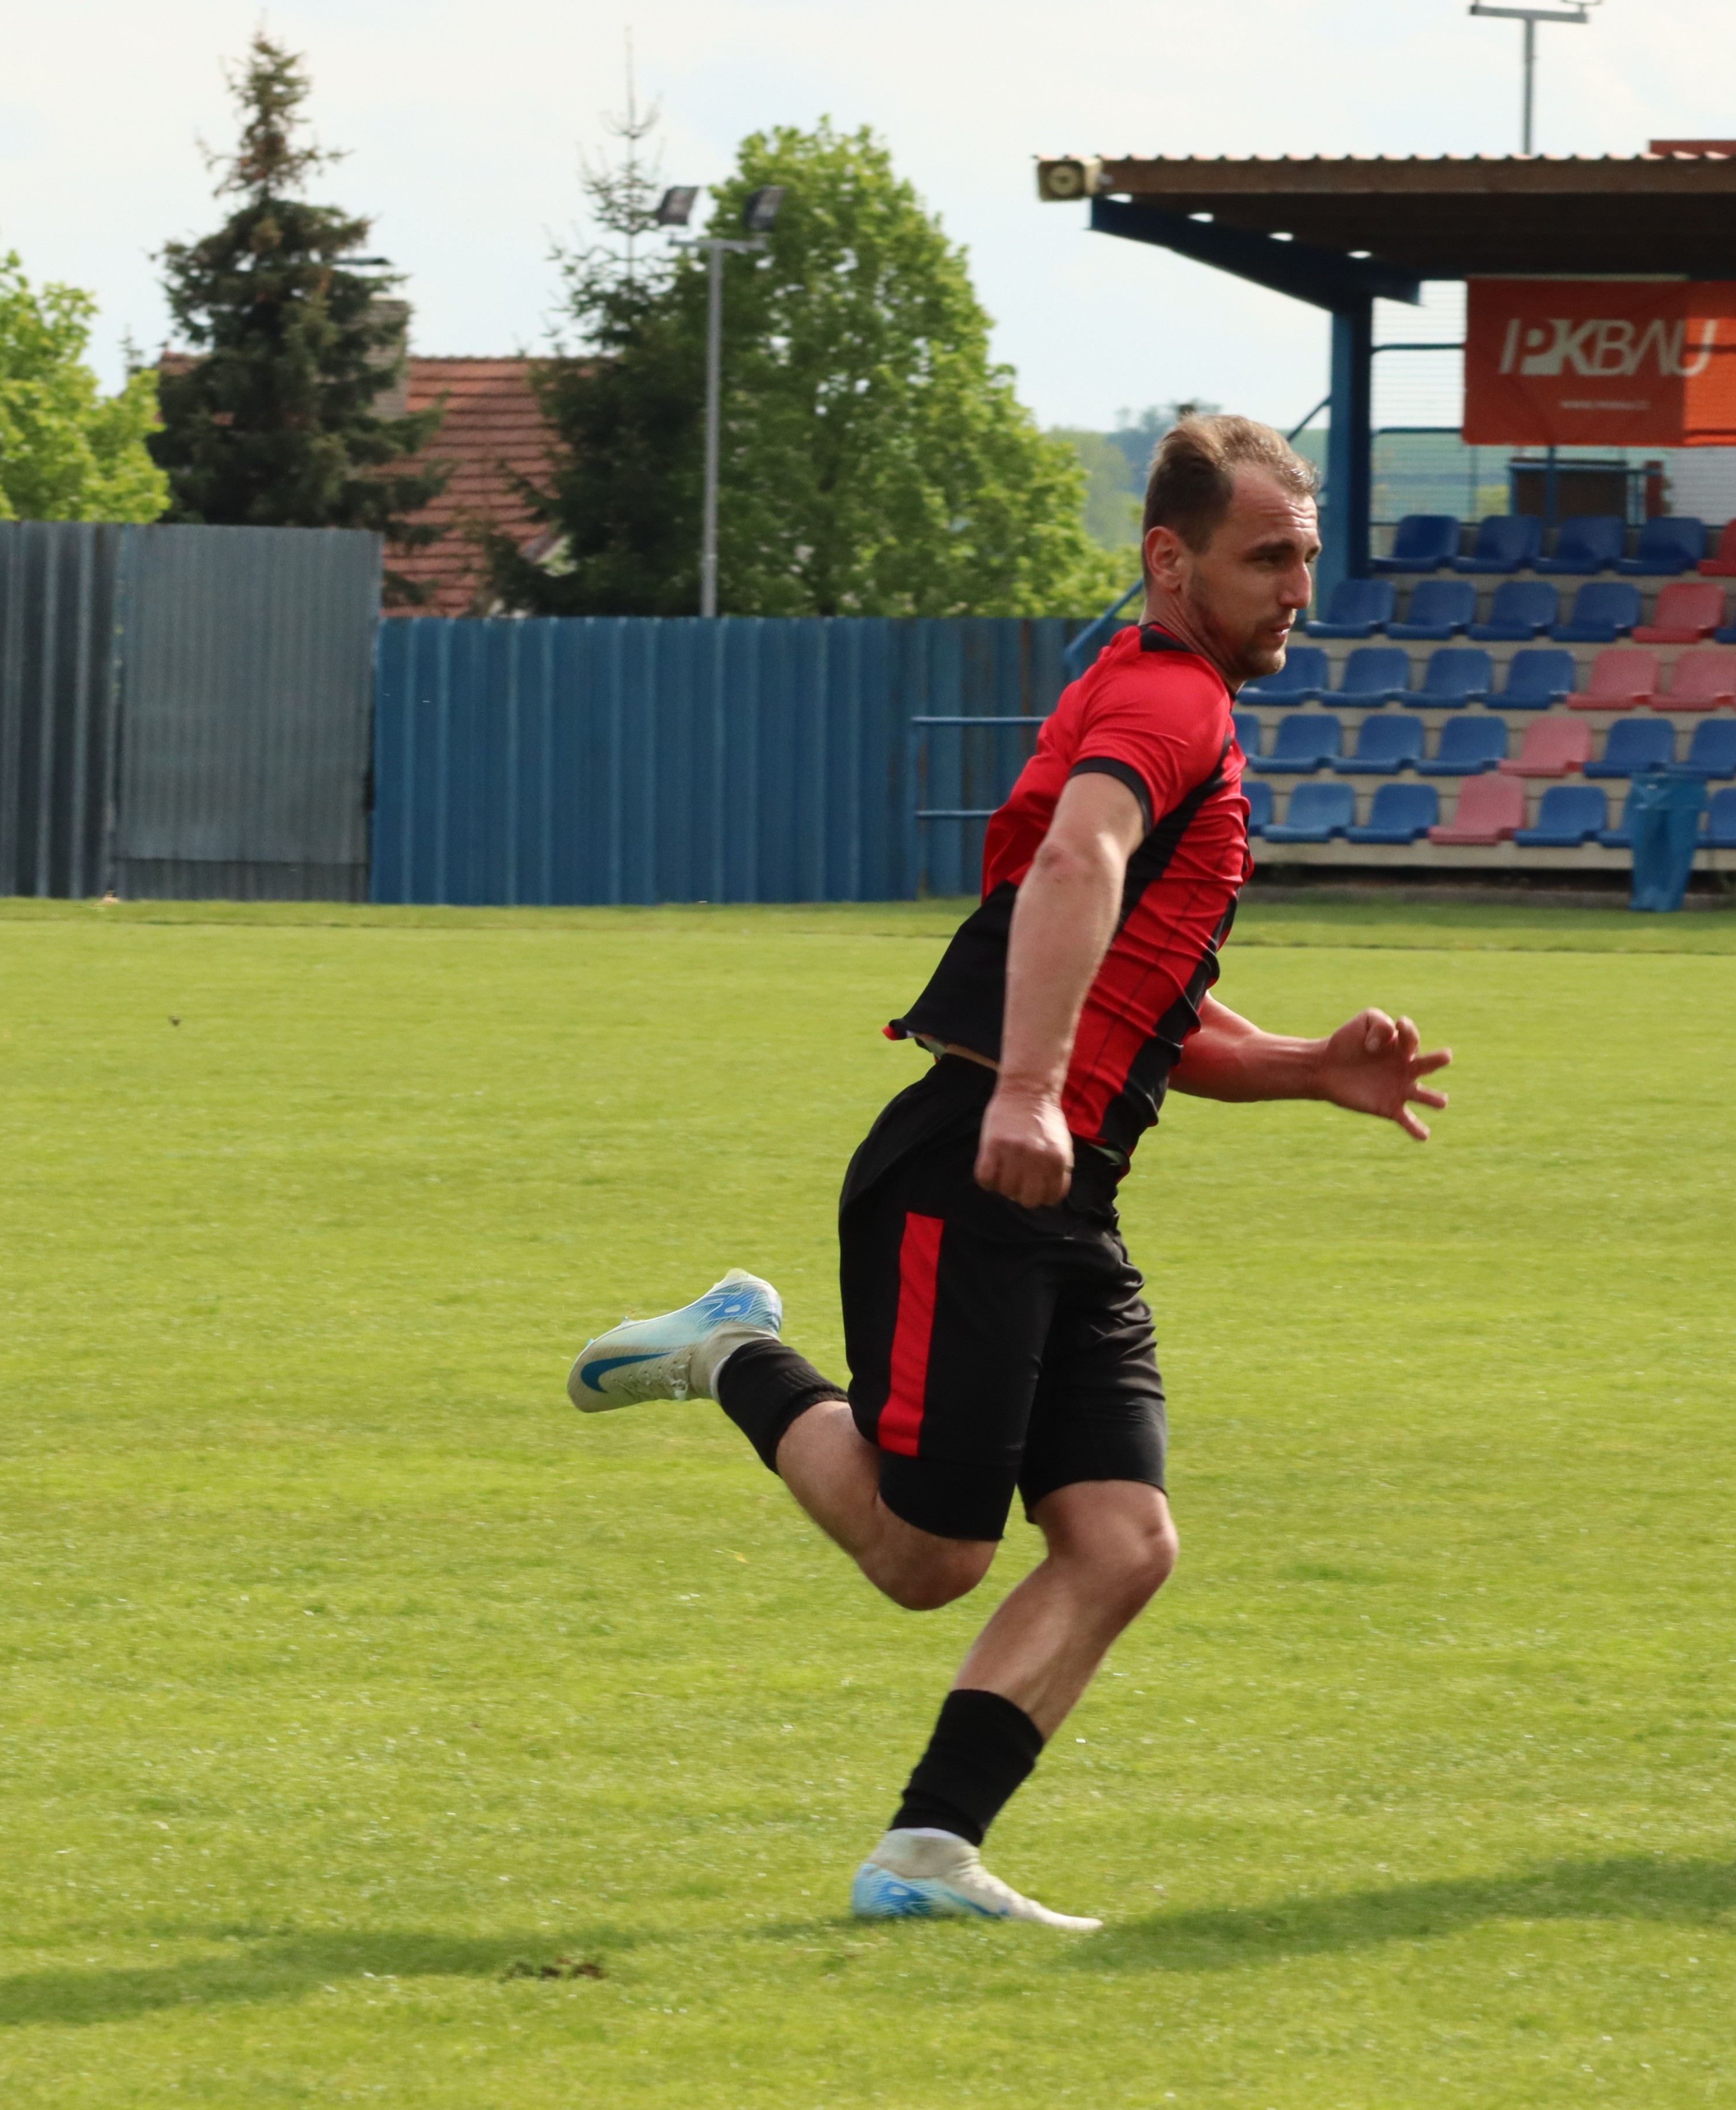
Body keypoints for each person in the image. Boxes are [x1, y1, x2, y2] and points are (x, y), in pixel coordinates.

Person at [560, 416, 1452, 1928]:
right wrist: (1030, 1090)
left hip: (1062, 1195)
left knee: (1121, 1541)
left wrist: (1309, 1065)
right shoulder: (1166, 700)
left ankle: (925, 1853)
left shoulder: (1169, 705)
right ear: (1168, 560)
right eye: (1266, 557)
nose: (1298, 587)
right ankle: (730, 1353)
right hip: (973, 1168)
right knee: (928, 1555)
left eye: (1305, 556)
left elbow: (1137, 996)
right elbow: (1072, 867)